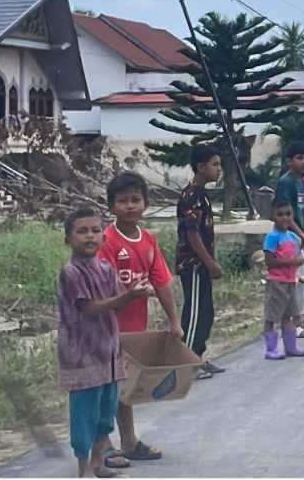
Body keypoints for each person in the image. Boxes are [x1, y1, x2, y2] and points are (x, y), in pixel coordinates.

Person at [57, 207, 153, 478]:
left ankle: (98, 463)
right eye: (82, 231)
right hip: (82, 356)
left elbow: (117, 301)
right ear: (68, 239)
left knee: (105, 412)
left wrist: (135, 291)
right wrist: (128, 297)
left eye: (95, 230)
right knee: (84, 415)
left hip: (108, 353)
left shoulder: (105, 268)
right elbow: (90, 308)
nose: (90, 236)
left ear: (104, 237)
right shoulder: (71, 272)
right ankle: (83, 469)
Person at [97, 172, 182, 469]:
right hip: (105, 329)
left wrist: (174, 321)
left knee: (127, 386)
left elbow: (162, 282)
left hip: (135, 329)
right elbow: (101, 288)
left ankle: (130, 442)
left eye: (136, 199)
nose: (130, 206)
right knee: (105, 389)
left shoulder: (148, 240)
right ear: (111, 206)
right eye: (123, 201)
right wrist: (130, 294)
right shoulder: (106, 241)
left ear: (145, 203)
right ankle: (102, 445)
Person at [176, 144, 224, 380]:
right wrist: (209, 262)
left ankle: (198, 356)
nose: (219, 169)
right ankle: (187, 363)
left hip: (203, 263)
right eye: (215, 164)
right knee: (194, 313)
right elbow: (192, 234)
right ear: (201, 167)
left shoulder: (202, 194)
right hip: (193, 264)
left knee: (206, 312)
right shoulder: (191, 196)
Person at [274, 141, 304, 338]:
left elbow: (303, 210)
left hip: (299, 238)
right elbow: (285, 215)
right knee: (293, 282)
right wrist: (301, 235)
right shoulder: (286, 182)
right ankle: (292, 325)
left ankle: (300, 321)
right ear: (289, 161)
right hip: (288, 238)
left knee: (303, 281)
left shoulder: (301, 182)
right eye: (299, 158)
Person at [262, 199, 304, 360]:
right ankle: (271, 349)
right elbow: (270, 261)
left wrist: (300, 259)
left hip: (290, 281)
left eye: (288, 214)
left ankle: (291, 346)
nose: (285, 218)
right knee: (272, 316)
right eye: (280, 214)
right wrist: (292, 262)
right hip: (277, 282)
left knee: (289, 315)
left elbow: (298, 253)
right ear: (273, 216)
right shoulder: (272, 237)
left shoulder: (292, 236)